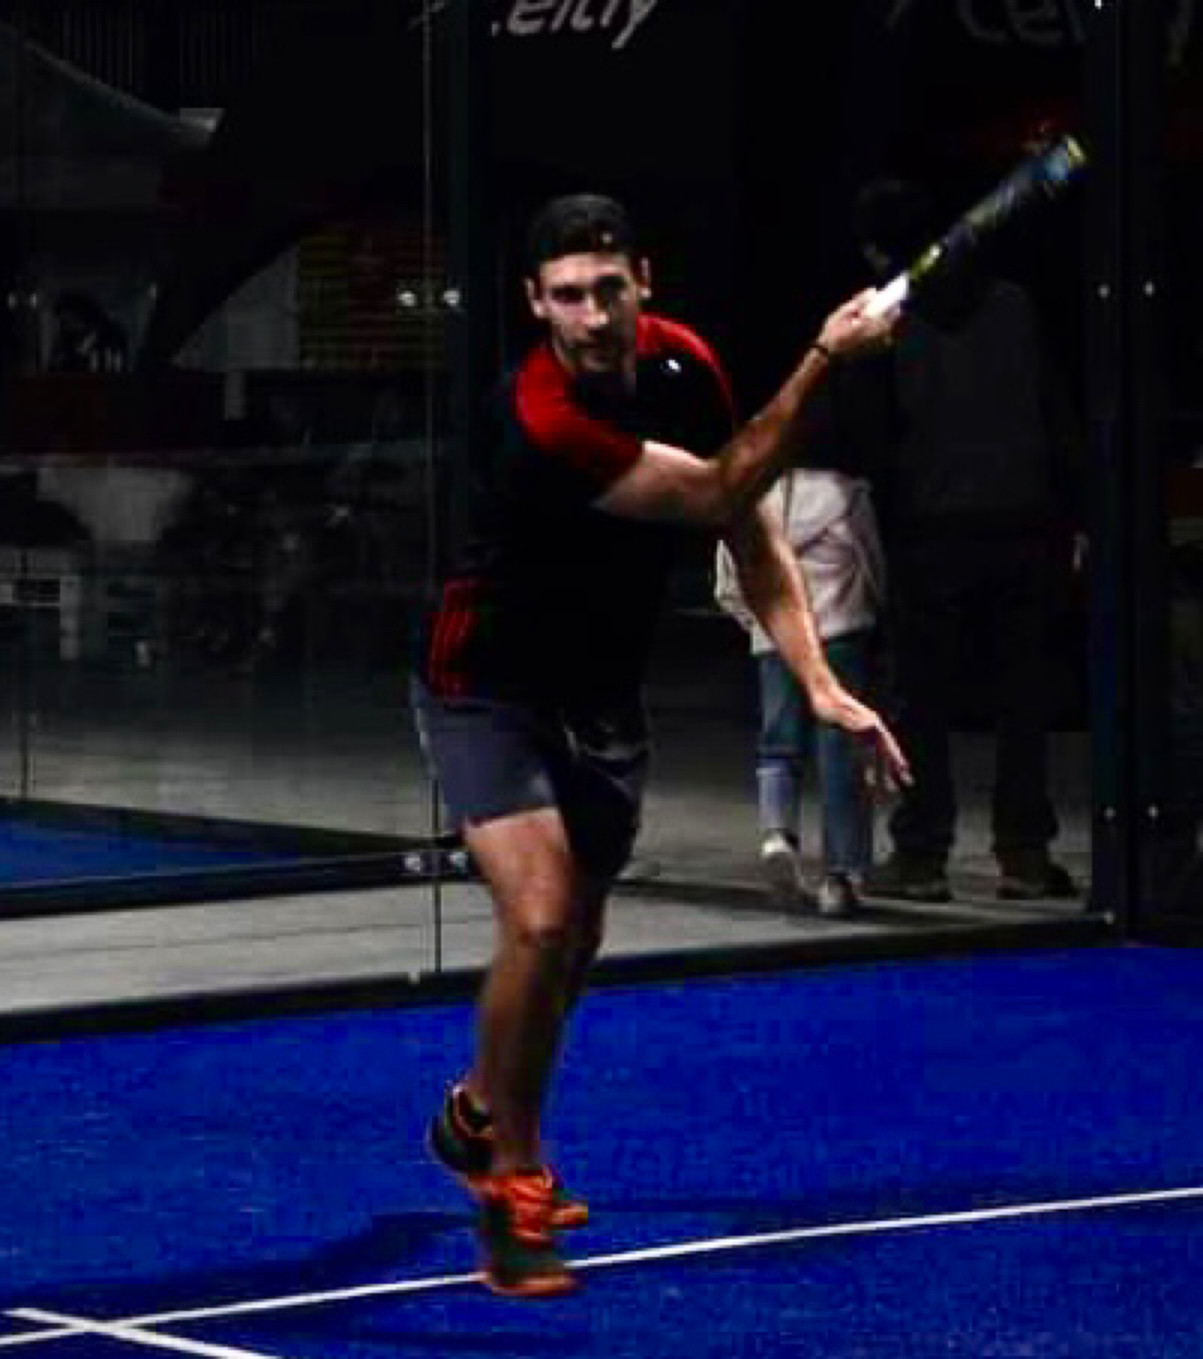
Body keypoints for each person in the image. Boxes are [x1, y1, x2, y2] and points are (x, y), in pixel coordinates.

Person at [411, 193, 905, 1297]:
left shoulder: (685, 366)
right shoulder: (540, 418)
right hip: (484, 687)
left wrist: (819, 682)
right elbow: (722, 483)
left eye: (608, 289)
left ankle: (479, 1106)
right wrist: (826, 357)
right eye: (568, 297)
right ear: (536, 304)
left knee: (574, 945)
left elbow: (750, 522)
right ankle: (512, 1182)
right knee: (540, 918)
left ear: (644, 281)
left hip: (601, 695)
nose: (592, 317)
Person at [853, 178, 1083, 905]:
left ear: (880, 250)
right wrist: (1073, 513)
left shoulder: (888, 321)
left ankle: (921, 855)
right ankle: (1025, 854)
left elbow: (875, 437)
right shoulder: (1013, 305)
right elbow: (1056, 416)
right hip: (1022, 521)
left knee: (922, 698)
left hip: (930, 529)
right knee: (1023, 696)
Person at [714, 457, 886, 917]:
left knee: (777, 744)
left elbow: (729, 574)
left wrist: (756, 620)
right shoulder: (846, 494)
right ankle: (840, 875)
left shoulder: (748, 496)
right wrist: (870, 608)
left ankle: (777, 835)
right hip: (840, 630)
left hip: (774, 634)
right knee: (841, 751)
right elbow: (870, 562)